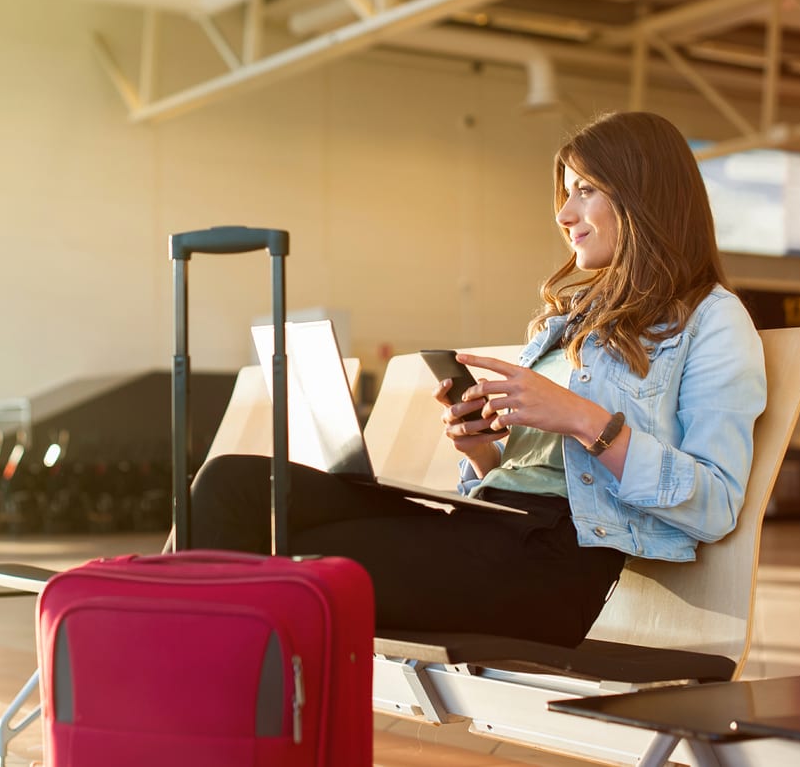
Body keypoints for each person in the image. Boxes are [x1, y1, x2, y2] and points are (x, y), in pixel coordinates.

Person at [187, 111, 767, 648]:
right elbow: (528, 474)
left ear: (645, 194)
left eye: (584, 191)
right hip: (490, 526)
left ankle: (192, 713)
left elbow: (714, 506)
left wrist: (580, 418)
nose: (564, 216)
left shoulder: (713, 320)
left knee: (293, 567)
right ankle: (197, 701)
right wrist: (484, 452)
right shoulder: (574, 320)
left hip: (554, 563)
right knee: (229, 485)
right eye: (566, 193)